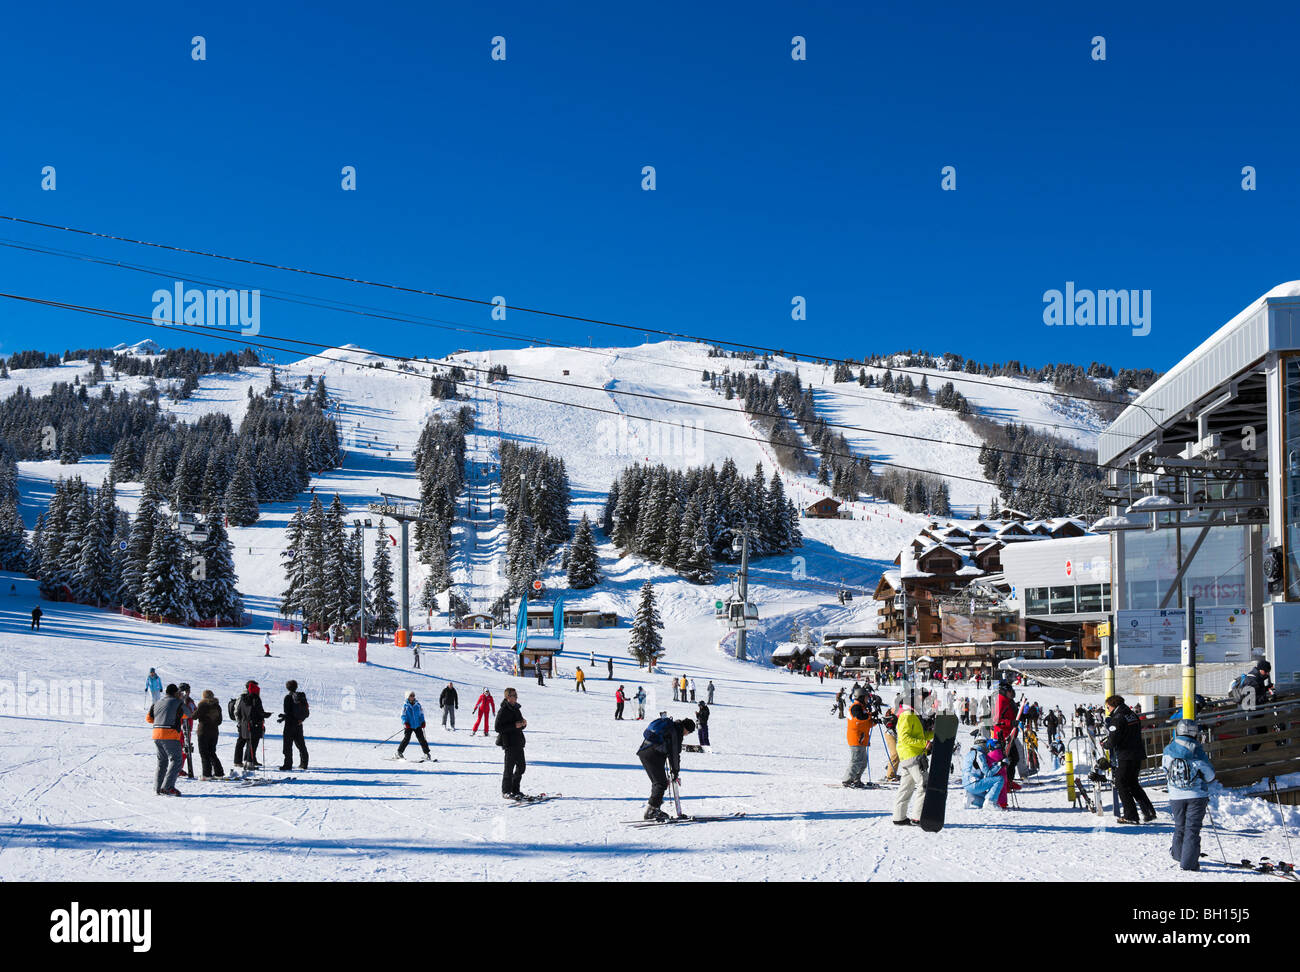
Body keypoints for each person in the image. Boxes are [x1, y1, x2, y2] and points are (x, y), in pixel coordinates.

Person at [1162, 720, 1216, 871]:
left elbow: (1165, 769)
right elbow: (1210, 775)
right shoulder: (1196, 750)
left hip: (1175, 795)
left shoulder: (1168, 749)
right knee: (1192, 828)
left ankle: (1179, 855)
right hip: (1196, 794)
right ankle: (1188, 863)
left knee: (1179, 826)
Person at [1103, 694, 1156, 824]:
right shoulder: (1131, 714)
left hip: (1126, 754)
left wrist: (1105, 744)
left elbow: (1114, 738)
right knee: (1133, 783)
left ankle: (1131, 815)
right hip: (1137, 753)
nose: (1108, 709)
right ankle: (1148, 811)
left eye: (1108, 707)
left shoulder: (1118, 718)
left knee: (1121, 783)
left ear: (1113, 705)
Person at [636, 716, 695, 821]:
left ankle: (655, 808)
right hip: (652, 754)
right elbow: (674, 755)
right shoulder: (676, 732)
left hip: (644, 752)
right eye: (688, 732)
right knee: (661, 783)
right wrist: (675, 771)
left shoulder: (671, 727)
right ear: (686, 729)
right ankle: (651, 811)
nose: (686, 735)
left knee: (658, 782)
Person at [892, 700, 932, 825]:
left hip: (908, 756)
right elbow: (905, 737)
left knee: (906, 787)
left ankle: (899, 817)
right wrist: (924, 744)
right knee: (924, 784)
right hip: (912, 755)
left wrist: (934, 732)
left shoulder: (912, 715)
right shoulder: (907, 715)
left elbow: (919, 736)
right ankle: (918, 817)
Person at [147, 683, 186, 796]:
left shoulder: (157, 702)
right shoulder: (178, 702)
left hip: (156, 734)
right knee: (177, 760)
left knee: (162, 761)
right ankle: (168, 787)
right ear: (175, 693)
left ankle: (157, 788)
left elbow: (149, 719)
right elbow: (188, 714)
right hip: (170, 734)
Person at [495, 687, 528, 799]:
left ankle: (515, 789)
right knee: (509, 768)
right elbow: (498, 727)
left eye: (516, 695)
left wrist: (523, 723)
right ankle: (506, 791)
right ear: (508, 697)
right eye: (514, 695)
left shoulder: (516, 708)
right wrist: (514, 726)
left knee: (521, 767)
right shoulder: (503, 710)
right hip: (509, 743)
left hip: (518, 742)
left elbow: (519, 724)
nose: (516, 697)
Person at [842, 688, 876, 788]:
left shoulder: (862, 707)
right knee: (856, 760)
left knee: (863, 762)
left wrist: (874, 722)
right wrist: (870, 714)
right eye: (866, 698)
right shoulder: (856, 707)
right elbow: (859, 718)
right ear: (861, 697)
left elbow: (865, 723)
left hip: (862, 738)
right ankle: (847, 780)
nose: (867, 700)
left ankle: (856, 779)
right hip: (856, 738)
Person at [234, 680, 271, 768]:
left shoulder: (243, 698)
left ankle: (245, 761)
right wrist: (265, 715)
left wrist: (240, 721)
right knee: (252, 743)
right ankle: (249, 762)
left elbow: (238, 711)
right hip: (254, 724)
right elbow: (259, 711)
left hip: (244, 723)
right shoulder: (255, 698)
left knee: (246, 742)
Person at [962, 735, 1005, 810]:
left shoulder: (968, 754)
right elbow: (988, 773)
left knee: (985, 801)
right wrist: (1000, 765)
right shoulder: (979, 754)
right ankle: (990, 802)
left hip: (966, 785)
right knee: (1000, 779)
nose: (987, 747)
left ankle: (971, 797)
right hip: (975, 784)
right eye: (986, 744)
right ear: (982, 744)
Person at [278, 679, 310, 770]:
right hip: (299, 724)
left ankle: (287, 765)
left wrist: (283, 717)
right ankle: (304, 763)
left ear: (287, 688)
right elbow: (305, 711)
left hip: (289, 724)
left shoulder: (287, 697)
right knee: (301, 744)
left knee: (287, 745)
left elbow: (287, 712)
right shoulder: (300, 697)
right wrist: (301, 719)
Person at [193, 689, 225, 779]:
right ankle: (219, 773)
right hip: (214, 731)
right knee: (212, 752)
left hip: (203, 731)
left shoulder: (203, 705)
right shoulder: (217, 706)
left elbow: (194, 716)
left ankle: (206, 774)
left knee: (204, 753)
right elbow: (219, 721)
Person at [398, 691, 434, 760]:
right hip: (409, 725)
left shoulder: (418, 705)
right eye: (411, 695)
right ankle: (399, 752)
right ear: (408, 697)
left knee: (422, 739)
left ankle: (426, 754)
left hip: (417, 725)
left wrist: (423, 721)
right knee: (407, 739)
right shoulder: (405, 705)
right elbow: (403, 715)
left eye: (413, 695)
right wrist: (405, 722)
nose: (412, 697)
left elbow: (421, 714)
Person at [177, 683, 197, 779]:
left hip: (187, 728)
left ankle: (178, 768)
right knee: (179, 749)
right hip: (179, 728)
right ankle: (176, 768)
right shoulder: (177, 702)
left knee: (185, 750)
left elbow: (195, 712)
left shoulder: (189, 701)